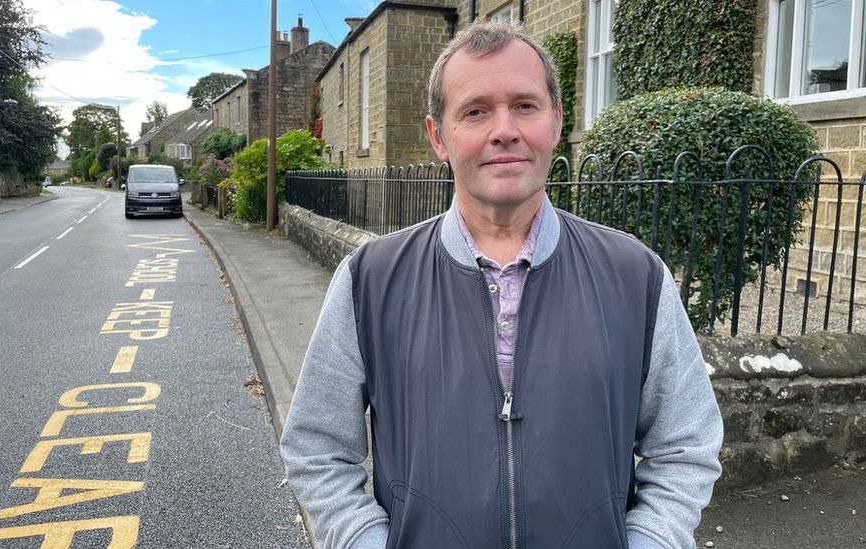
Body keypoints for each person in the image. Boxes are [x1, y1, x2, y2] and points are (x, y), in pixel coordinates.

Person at [280, 23, 723, 549]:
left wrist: (651, 540)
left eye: (526, 106)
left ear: (557, 123)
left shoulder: (636, 277)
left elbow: (685, 445)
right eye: (475, 111)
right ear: (438, 136)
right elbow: (317, 448)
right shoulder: (368, 280)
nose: (504, 130)